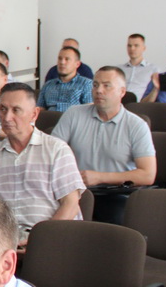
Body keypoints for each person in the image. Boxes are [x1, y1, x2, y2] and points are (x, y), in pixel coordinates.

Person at [0, 83, 84, 245]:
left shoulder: (56, 149)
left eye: (16, 110)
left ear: (34, 114)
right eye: (3, 109)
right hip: (6, 240)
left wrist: (39, 240)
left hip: (52, 238)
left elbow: (70, 205)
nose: (7, 117)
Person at [51, 67, 156, 224]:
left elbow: (147, 175)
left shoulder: (136, 125)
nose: (99, 90)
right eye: (95, 85)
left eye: (107, 85)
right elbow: (51, 153)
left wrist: (100, 177)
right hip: (74, 191)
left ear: (122, 92)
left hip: (115, 194)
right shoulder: (74, 114)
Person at [37, 46, 93, 112]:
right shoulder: (48, 85)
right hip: (50, 118)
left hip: (73, 117)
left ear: (77, 64)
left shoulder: (86, 84)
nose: (62, 62)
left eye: (67, 59)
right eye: (60, 59)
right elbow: (39, 110)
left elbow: (89, 111)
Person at [119, 33, 158, 100]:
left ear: (144, 48)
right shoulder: (119, 70)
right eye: (129, 46)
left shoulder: (153, 69)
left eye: (136, 45)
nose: (132, 48)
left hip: (140, 104)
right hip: (119, 102)